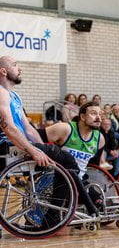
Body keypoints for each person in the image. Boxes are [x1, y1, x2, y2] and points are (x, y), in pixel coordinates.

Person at [0, 56, 100, 221]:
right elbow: (9, 128)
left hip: (19, 144)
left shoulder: (15, 96)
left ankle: (76, 205)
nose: (20, 68)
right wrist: (34, 150)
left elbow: (28, 128)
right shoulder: (1, 93)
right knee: (68, 161)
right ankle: (58, 214)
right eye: (15, 65)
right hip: (8, 146)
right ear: (3, 71)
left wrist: (42, 147)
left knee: (61, 158)